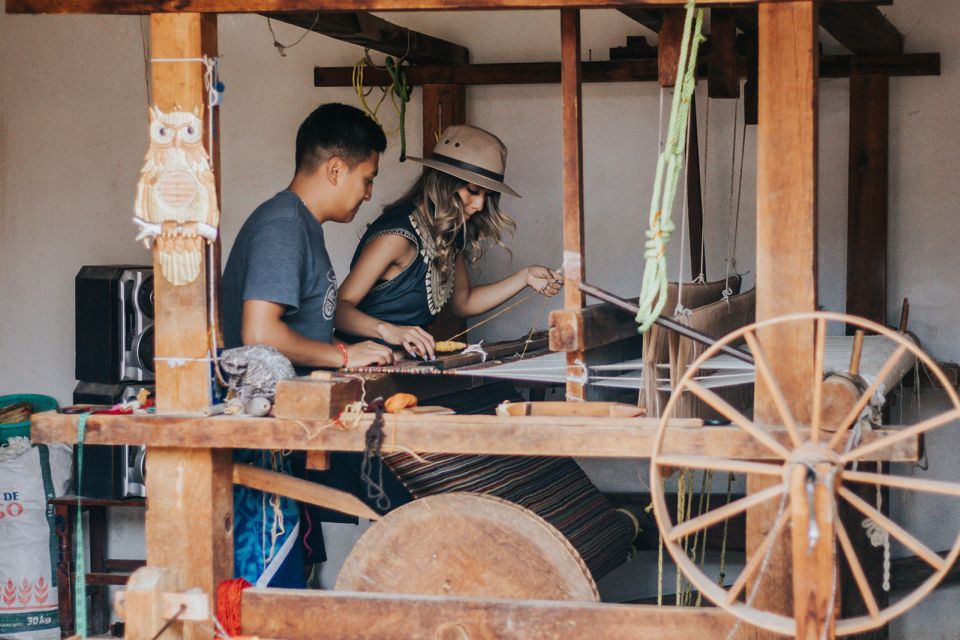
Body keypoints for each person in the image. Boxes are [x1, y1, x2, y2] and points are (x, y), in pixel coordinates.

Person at [220, 103, 393, 588]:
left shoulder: (302, 226)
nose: (369, 192)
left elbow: (302, 329)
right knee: (264, 587)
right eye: (367, 177)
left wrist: (354, 349)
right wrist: (343, 355)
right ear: (336, 169)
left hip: (284, 430)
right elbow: (260, 332)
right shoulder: (283, 226)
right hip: (257, 439)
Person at [334, 124, 562, 360]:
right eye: (473, 191)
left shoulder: (450, 232)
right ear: (444, 183)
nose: (480, 205)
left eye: (487, 195)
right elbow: (339, 308)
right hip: (361, 368)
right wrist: (388, 331)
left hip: (410, 367)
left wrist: (525, 277)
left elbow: (462, 303)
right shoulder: (397, 237)